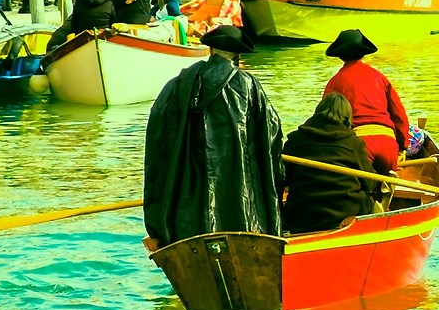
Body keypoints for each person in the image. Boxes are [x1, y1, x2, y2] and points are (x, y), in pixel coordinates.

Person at [142, 24, 285, 247]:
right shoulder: (248, 86)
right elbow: (271, 135)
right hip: (237, 178)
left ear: (210, 51)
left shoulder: (179, 84)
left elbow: (159, 131)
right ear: (237, 55)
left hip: (192, 176)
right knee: (239, 201)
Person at [280, 93, 387, 234]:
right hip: (344, 212)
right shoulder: (354, 144)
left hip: (301, 215)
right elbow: (370, 183)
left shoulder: (294, 140)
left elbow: (282, 179)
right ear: (347, 118)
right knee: (369, 199)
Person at [322, 27, 410, 172]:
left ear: (340, 56)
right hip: (387, 144)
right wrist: (401, 148)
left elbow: (325, 121)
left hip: (358, 146)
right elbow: (399, 114)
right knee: (385, 184)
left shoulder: (334, 82)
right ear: (363, 53)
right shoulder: (379, 77)